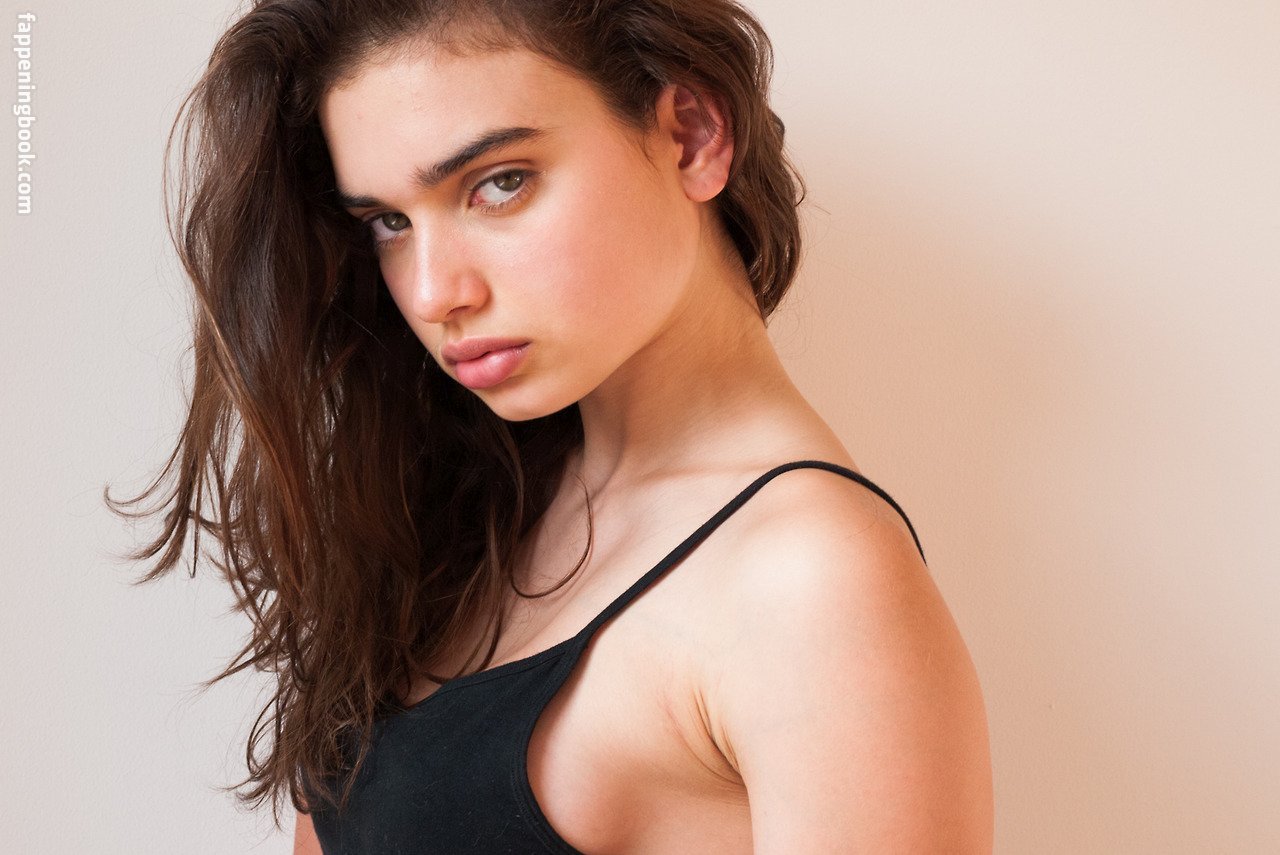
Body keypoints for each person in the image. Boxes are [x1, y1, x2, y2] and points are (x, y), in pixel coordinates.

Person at [108, 0, 993, 851]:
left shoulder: (811, 584)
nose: (433, 291)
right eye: (389, 223)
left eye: (499, 183)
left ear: (692, 135)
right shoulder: (459, 512)